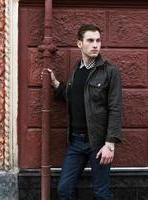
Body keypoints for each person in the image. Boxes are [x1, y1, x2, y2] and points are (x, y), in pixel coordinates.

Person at [46, 24, 123, 200]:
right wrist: (56, 84)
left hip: (98, 142)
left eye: (98, 41)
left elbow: (116, 108)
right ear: (80, 44)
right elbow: (73, 96)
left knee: (100, 193)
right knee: (64, 189)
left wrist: (110, 144)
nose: (95, 45)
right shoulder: (77, 69)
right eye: (90, 40)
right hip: (75, 142)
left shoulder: (110, 71)